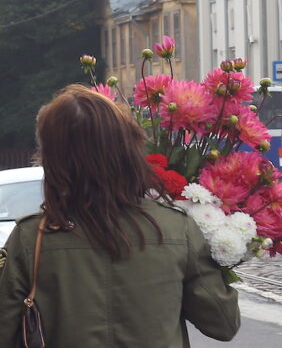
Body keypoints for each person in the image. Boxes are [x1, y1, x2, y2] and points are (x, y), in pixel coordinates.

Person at [0, 84, 240, 347]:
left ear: (53, 158)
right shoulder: (176, 229)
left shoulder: (30, 239)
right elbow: (223, 325)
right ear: (129, 150)